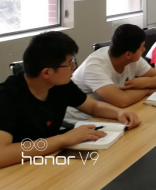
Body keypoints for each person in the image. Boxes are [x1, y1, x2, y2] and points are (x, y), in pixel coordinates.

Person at [0, 32, 140, 169]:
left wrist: (119, 113)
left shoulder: (60, 85)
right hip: (17, 169)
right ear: (47, 72)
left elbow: (93, 106)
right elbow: (2, 154)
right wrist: (63, 139)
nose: (74, 67)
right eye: (69, 63)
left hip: (48, 160)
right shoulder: (7, 97)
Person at [65, 24, 156, 123]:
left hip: (110, 111)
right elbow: (121, 101)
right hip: (81, 118)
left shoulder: (133, 59)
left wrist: (146, 82)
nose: (144, 49)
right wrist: (147, 90)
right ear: (128, 54)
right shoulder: (95, 65)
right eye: (142, 47)